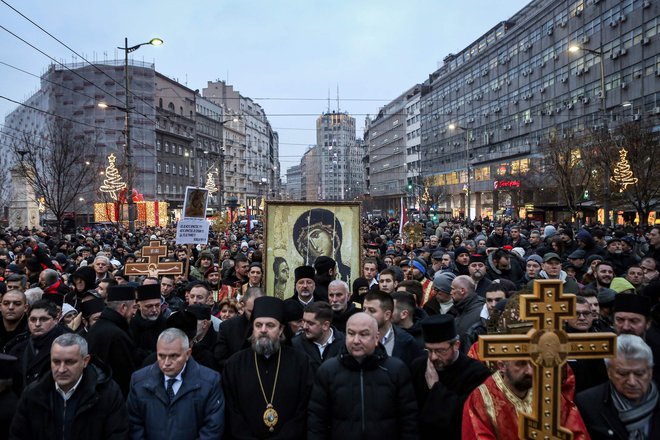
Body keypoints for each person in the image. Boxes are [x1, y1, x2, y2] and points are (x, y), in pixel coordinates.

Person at [307, 313, 418, 440]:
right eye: (351, 333)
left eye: (364, 334)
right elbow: (317, 420)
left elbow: (409, 419)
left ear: (376, 338)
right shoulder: (328, 371)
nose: (356, 340)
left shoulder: (396, 370)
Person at [222, 296, 313, 439]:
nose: (263, 330)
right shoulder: (234, 364)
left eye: (270, 325)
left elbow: (303, 410)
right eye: (258, 325)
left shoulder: (300, 362)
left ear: (281, 329)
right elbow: (232, 412)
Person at [10, 333, 128, 439]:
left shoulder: (107, 394)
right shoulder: (34, 393)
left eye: (69, 362)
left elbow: (118, 434)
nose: (61, 369)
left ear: (85, 361)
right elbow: (18, 434)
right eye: (56, 362)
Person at [127, 328, 225, 440]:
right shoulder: (139, 381)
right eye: (161, 356)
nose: (166, 363)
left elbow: (212, 428)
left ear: (188, 354)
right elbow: (133, 425)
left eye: (174, 356)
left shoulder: (210, 382)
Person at [463, 358, 590, 439]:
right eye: (521, 364)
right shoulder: (480, 400)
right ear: (502, 366)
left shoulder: (549, 393)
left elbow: (576, 432)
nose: (529, 371)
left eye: (533, 363)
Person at [411, 314, 490, 440]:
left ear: (456, 345)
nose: (433, 357)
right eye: (429, 350)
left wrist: (436, 388)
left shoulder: (476, 373)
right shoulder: (418, 366)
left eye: (440, 351)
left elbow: (466, 415)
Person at [576, 334, 660, 439]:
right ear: (609, 372)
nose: (632, 382)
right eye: (623, 373)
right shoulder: (586, 404)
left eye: (639, 373)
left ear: (650, 372)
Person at [85, 284, 139, 398]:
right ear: (123, 307)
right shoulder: (117, 335)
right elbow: (125, 377)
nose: (134, 312)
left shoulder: (97, 328)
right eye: (133, 307)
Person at [7, 299, 70, 393]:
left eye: (44, 319)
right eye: (33, 319)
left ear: (56, 320)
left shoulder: (69, 346)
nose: (37, 324)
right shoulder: (18, 348)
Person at [363, 290, 424, 367]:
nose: (365, 314)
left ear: (387, 315)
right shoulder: (357, 338)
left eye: (372, 311)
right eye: (364, 309)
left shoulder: (406, 342)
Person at [292, 208, 351, 282]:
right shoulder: (306, 280)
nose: (314, 246)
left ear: (331, 233)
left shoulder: (348, 274)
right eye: (307, 243)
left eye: (316, 236)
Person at [213, 287, 263, 371]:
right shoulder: (228, 327)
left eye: (259, 310)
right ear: (243, 306)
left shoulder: (272, 326)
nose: (255, 315)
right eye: (250, 311)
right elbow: (219, 359)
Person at [292, 301, 345, 372]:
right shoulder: (295, 345)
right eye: (303, 321)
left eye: (310, 323)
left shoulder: (345, 343)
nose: (304, 327)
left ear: (325, 325)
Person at [129, 283, 167, 358]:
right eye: (149, 306)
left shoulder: (166, 324)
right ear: (138, 306)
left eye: (157, 305)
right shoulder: (130, 325)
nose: (154, 310)